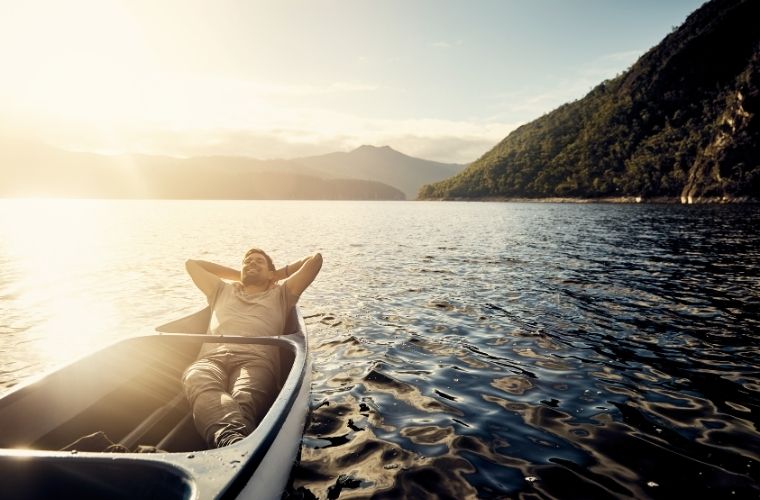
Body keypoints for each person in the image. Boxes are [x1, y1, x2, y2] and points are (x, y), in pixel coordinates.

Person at [181, 248, 322, 448]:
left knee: (243, 397)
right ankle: (235, 442)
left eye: (259, 262)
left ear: (271, 273)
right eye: (247, 261)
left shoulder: (282, 293)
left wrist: (277, 276)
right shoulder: (221, 290)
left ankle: (230, 441)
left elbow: (315, 260)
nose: (251, 263)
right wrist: (240, 274)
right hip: (211, 359)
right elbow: (192, 264)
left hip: (256, 361)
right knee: (196, 377)